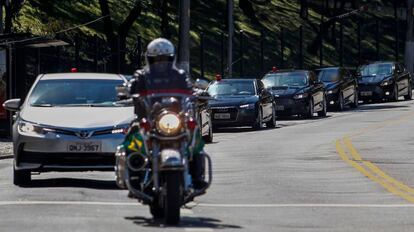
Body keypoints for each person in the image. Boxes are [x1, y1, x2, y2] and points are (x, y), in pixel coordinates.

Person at [127, 38, 207, 190]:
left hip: (175, 117)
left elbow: (190, 89)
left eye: (165, 59)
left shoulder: (180, 75)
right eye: (157, 59)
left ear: (172, 58)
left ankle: (197, 176)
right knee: (134, 133)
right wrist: (128, 93)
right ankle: (134, 175)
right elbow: (133, 90)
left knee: (194, 133)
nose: (161, 63)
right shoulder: (142, 75)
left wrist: (199, 93)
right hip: (150, 117)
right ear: (149, 59)